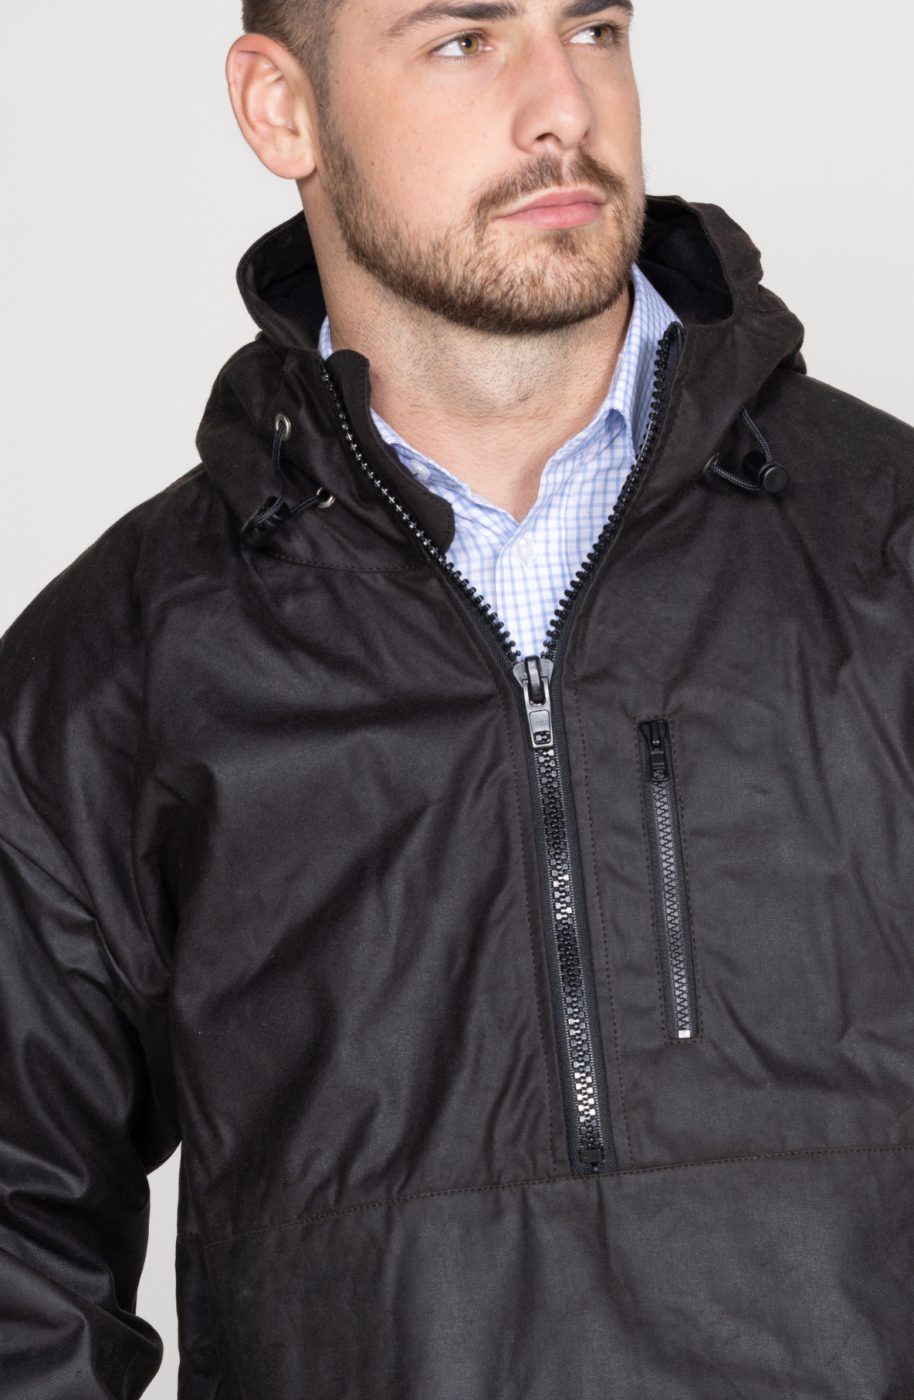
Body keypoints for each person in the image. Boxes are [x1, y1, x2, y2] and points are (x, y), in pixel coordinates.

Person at [2, 0, 913, 1394]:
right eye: (463, 39)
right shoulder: (123, 664)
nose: (564, 108)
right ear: (282, 108)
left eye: (593, 29)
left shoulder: (887, 550)